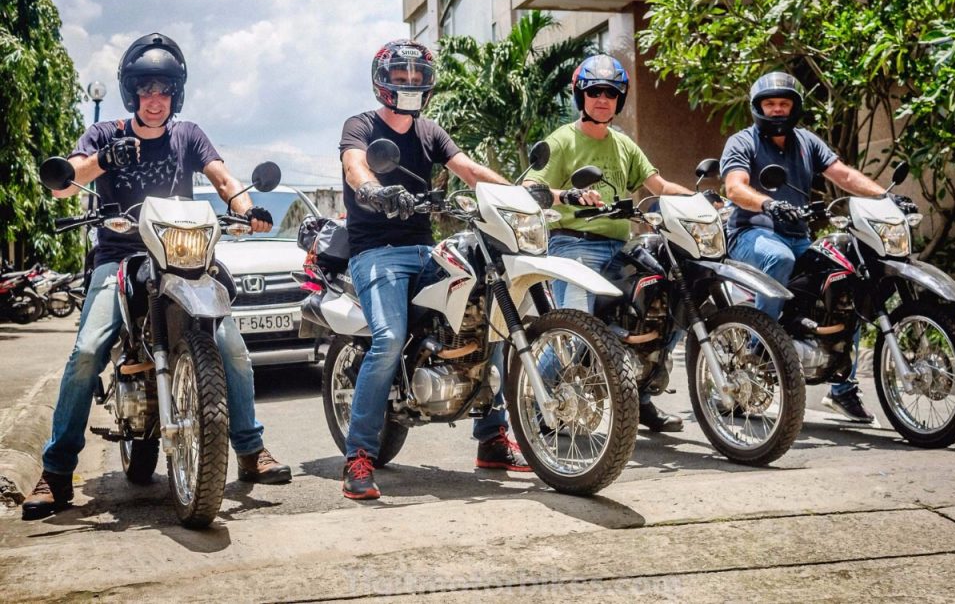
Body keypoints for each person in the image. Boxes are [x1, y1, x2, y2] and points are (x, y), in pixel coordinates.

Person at [22, 33, 291, 521]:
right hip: (120, 254)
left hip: (182, 255)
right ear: (131, 93)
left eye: (163, 90)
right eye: (145, 90)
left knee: (230, 344)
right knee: (86, 351)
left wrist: (248, 208)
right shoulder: (106, 135)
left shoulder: (188, 135)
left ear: (176, 95)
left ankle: (250, 450)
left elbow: (224, 179)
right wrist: (107, 159)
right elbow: (67, 184)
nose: (154, 99)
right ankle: (57, 472)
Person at [339, 39, 534, 501]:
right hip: (376, 252)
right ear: (381, 81)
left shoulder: (430, 131)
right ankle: (359, 457)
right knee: (387, 339)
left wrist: (527, 193)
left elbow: (469, 169)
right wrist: (373, 191)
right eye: (400, 76)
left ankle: (491, 439)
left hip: (425, 250)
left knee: (492, 319)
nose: (409, 83)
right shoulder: (360, 126)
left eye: (416, 76)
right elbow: (354, 166)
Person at [720, 72, 918, 423]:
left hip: (798, 236)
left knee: (846, 284)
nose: (778, 110)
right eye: (771, 104)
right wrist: (767, 204)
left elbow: (843, 174)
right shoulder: (743, 141)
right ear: (758, 107)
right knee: (777, 257)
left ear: (795, 107)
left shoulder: (806, 141)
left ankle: (842, 389)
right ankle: (756, 356)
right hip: (751, 233)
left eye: (785, 104)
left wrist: (885, 197)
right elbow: (735, 188)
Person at [523, 54, 696, 434]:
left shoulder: (624, 145)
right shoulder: (562, 141)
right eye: (595, 91)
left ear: (620, 99)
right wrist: (566, 195)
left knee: (671, 300)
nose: (603, 98)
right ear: (580, 95)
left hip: (620, 249)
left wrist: (703, 202)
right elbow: (530, 189)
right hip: (572, 246)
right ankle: (539, 402)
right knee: (576, 330)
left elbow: (660, 187)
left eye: (611, 93)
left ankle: (642, 394)